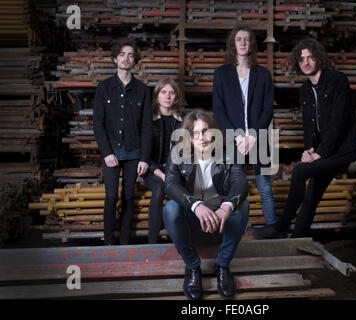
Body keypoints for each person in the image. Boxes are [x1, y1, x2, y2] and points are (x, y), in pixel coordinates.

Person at [249, 38, 356, 239]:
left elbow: (339, 121)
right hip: (324, 152)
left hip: (347, 149)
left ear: (318, 58)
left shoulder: (338, 80)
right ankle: (295, 239)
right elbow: (309, 126)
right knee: (311, 194)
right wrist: (309, 150)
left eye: (310, 57)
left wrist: (320, 153)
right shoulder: (305, 89)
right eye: (302, 59)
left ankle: (280, 228)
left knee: (300, 172)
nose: (306, 62)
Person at [163, 110, 249, 300]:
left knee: (242, 205)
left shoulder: (227, 152)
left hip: (221, 223)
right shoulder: (178, 153)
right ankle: (192, 267)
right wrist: (196, 205)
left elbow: (240, 182)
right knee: (170, 209)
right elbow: (170, 185)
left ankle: (222, 265)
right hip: (192, 225)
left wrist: (226, 206)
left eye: (205, 131)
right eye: (194, 133)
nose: (201, 138)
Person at [212, 24, 276, 232]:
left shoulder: (263, 74)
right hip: (233, 138)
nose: (243, 43)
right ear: (233, 43)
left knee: (264, 186)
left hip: (259, 137)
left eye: (247, 39)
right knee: (232, 186)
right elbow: (218, 110)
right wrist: (238, 137)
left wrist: (254, 136)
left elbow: (268, 109)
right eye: (239, 39)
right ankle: (232, 227)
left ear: (252, 45)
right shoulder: (221, 74)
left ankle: (271, 226)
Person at [93, 41, 152, 245]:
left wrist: (145, 158)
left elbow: (146, 127)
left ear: (135, 61)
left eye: (130, 55)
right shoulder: (104, 87)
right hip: (112, 153)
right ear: (115, 59)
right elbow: (98, 125)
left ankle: (124, 241)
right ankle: (109, 241)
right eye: (122, 54)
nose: (126, 58)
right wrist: (107, 152)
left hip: (134, 154)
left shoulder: (143, 90)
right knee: (111, 197)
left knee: (128, 197)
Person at [143, 78, 183, 244]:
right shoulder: (148, 121)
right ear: (157, 96)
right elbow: (144, 151)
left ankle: (180, 238)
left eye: (172, 92)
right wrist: (160, 173)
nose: (168, 96)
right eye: (164, 92)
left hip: (174, 170)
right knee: (159, 189)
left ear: (176, 97)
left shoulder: (182, 121)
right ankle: (153, 241)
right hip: (153, 170)